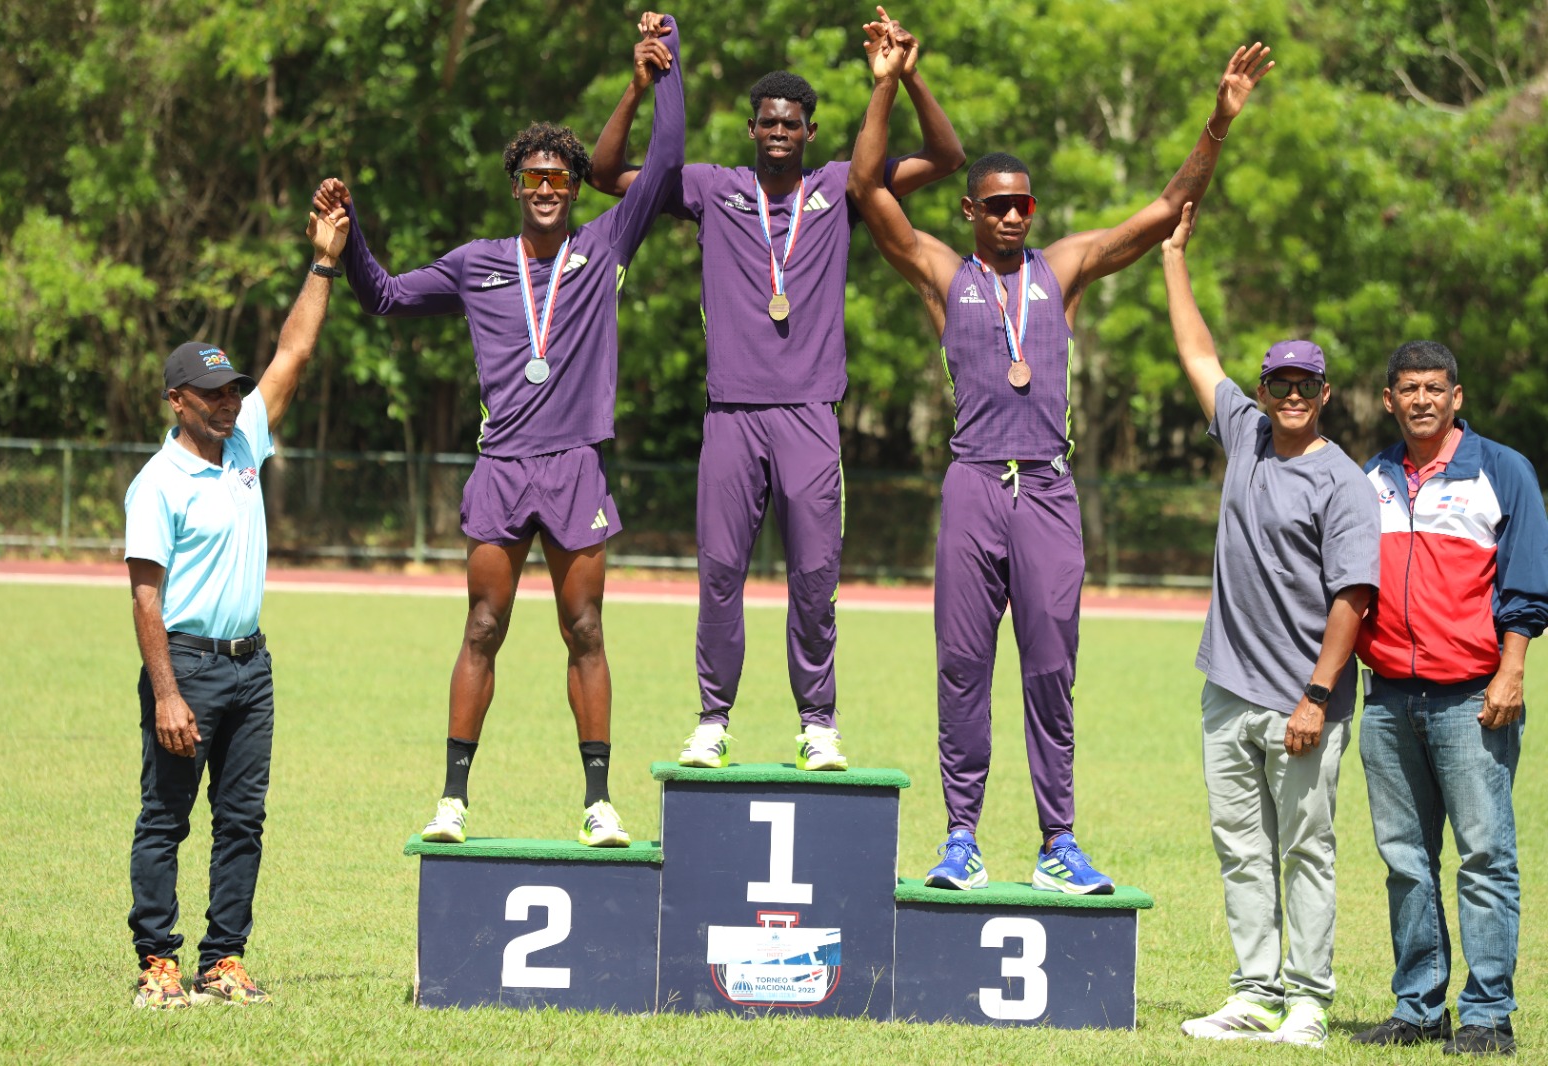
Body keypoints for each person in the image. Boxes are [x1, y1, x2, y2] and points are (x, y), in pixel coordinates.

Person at [848, 24, 1273, 897]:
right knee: (962, 669)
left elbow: (1165, 209)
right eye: (997, 204)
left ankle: (1058, 843)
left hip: (1046, 486)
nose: (1013, 215)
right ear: (969, 211)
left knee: (1051, 670)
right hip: (973, 482)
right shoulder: (943, 274)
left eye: (1023, 204)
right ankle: (961, 839)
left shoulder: (1064, 268)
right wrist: (893, 82)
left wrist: (1219, 123)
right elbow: (866, 189)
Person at [312, 14, 684, 848]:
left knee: (585, 631)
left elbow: (665, 159)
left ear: (575, 187)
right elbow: (385, 297)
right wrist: (352, 231)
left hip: (576, 466)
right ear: (516, 186)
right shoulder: (477, 264)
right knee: (483, 627)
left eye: (559, 176)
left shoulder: (605, 246)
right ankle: (452, 801)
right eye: (533, 177)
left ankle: (598, 802)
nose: (547, 187)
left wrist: (661, 71)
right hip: (504, 466)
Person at [587, 6, 964, 773]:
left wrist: (904, 78)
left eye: (792, 123)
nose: (780, 132)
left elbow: (947, 157)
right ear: (752, 130)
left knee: (815, 580)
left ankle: (818, 723)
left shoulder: (843, 187)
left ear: (811, 132)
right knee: (720, 576)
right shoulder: (710, 188)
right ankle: (712, 721)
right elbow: (603, 174)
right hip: (731, 416)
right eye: (768, 123)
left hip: (810, 416)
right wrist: (637, 89)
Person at [1155, 204, 1380, 1046]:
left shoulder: (1342, 483)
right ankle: (1253, 992)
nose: (1290, 396)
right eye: (1278, 384)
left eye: (1304, 386)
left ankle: (1309, 1001)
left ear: (1325, 396)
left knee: (1305, 850)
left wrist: (1317, 696)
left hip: (1302, 701)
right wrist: (1174, 256)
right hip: (1227, 690)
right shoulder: (1244, 436)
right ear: (1262, 391)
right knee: (1241, 848)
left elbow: (1353, 599)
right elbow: (1195, 350)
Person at [124, 207, 349, 1009]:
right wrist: (167, 693)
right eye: (212, 394)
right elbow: (145, 596)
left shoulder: (246, 441)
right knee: (166, 817)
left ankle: (223, 960)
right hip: (185, 665)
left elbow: (294, 351)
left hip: (252, 666)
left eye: (233, 392)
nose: (229, 403)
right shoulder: (158, 484)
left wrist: (323, 263)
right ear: (177, 401)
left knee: (242, 820)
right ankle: (157, 961)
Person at [1349, 341, 1548, 1058]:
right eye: (1409, 389)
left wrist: (1511, 669)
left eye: (1435, 388)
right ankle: (1419, 1007)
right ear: (1389, 400)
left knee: (1485, 857)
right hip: (1388, 702)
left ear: (1456, 397)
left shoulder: (1503, 470)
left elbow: (1528, 583)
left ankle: (1489, 1015)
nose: (1422, 400)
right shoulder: (1371, 477)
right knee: (1405, 859)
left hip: (1473, 699)